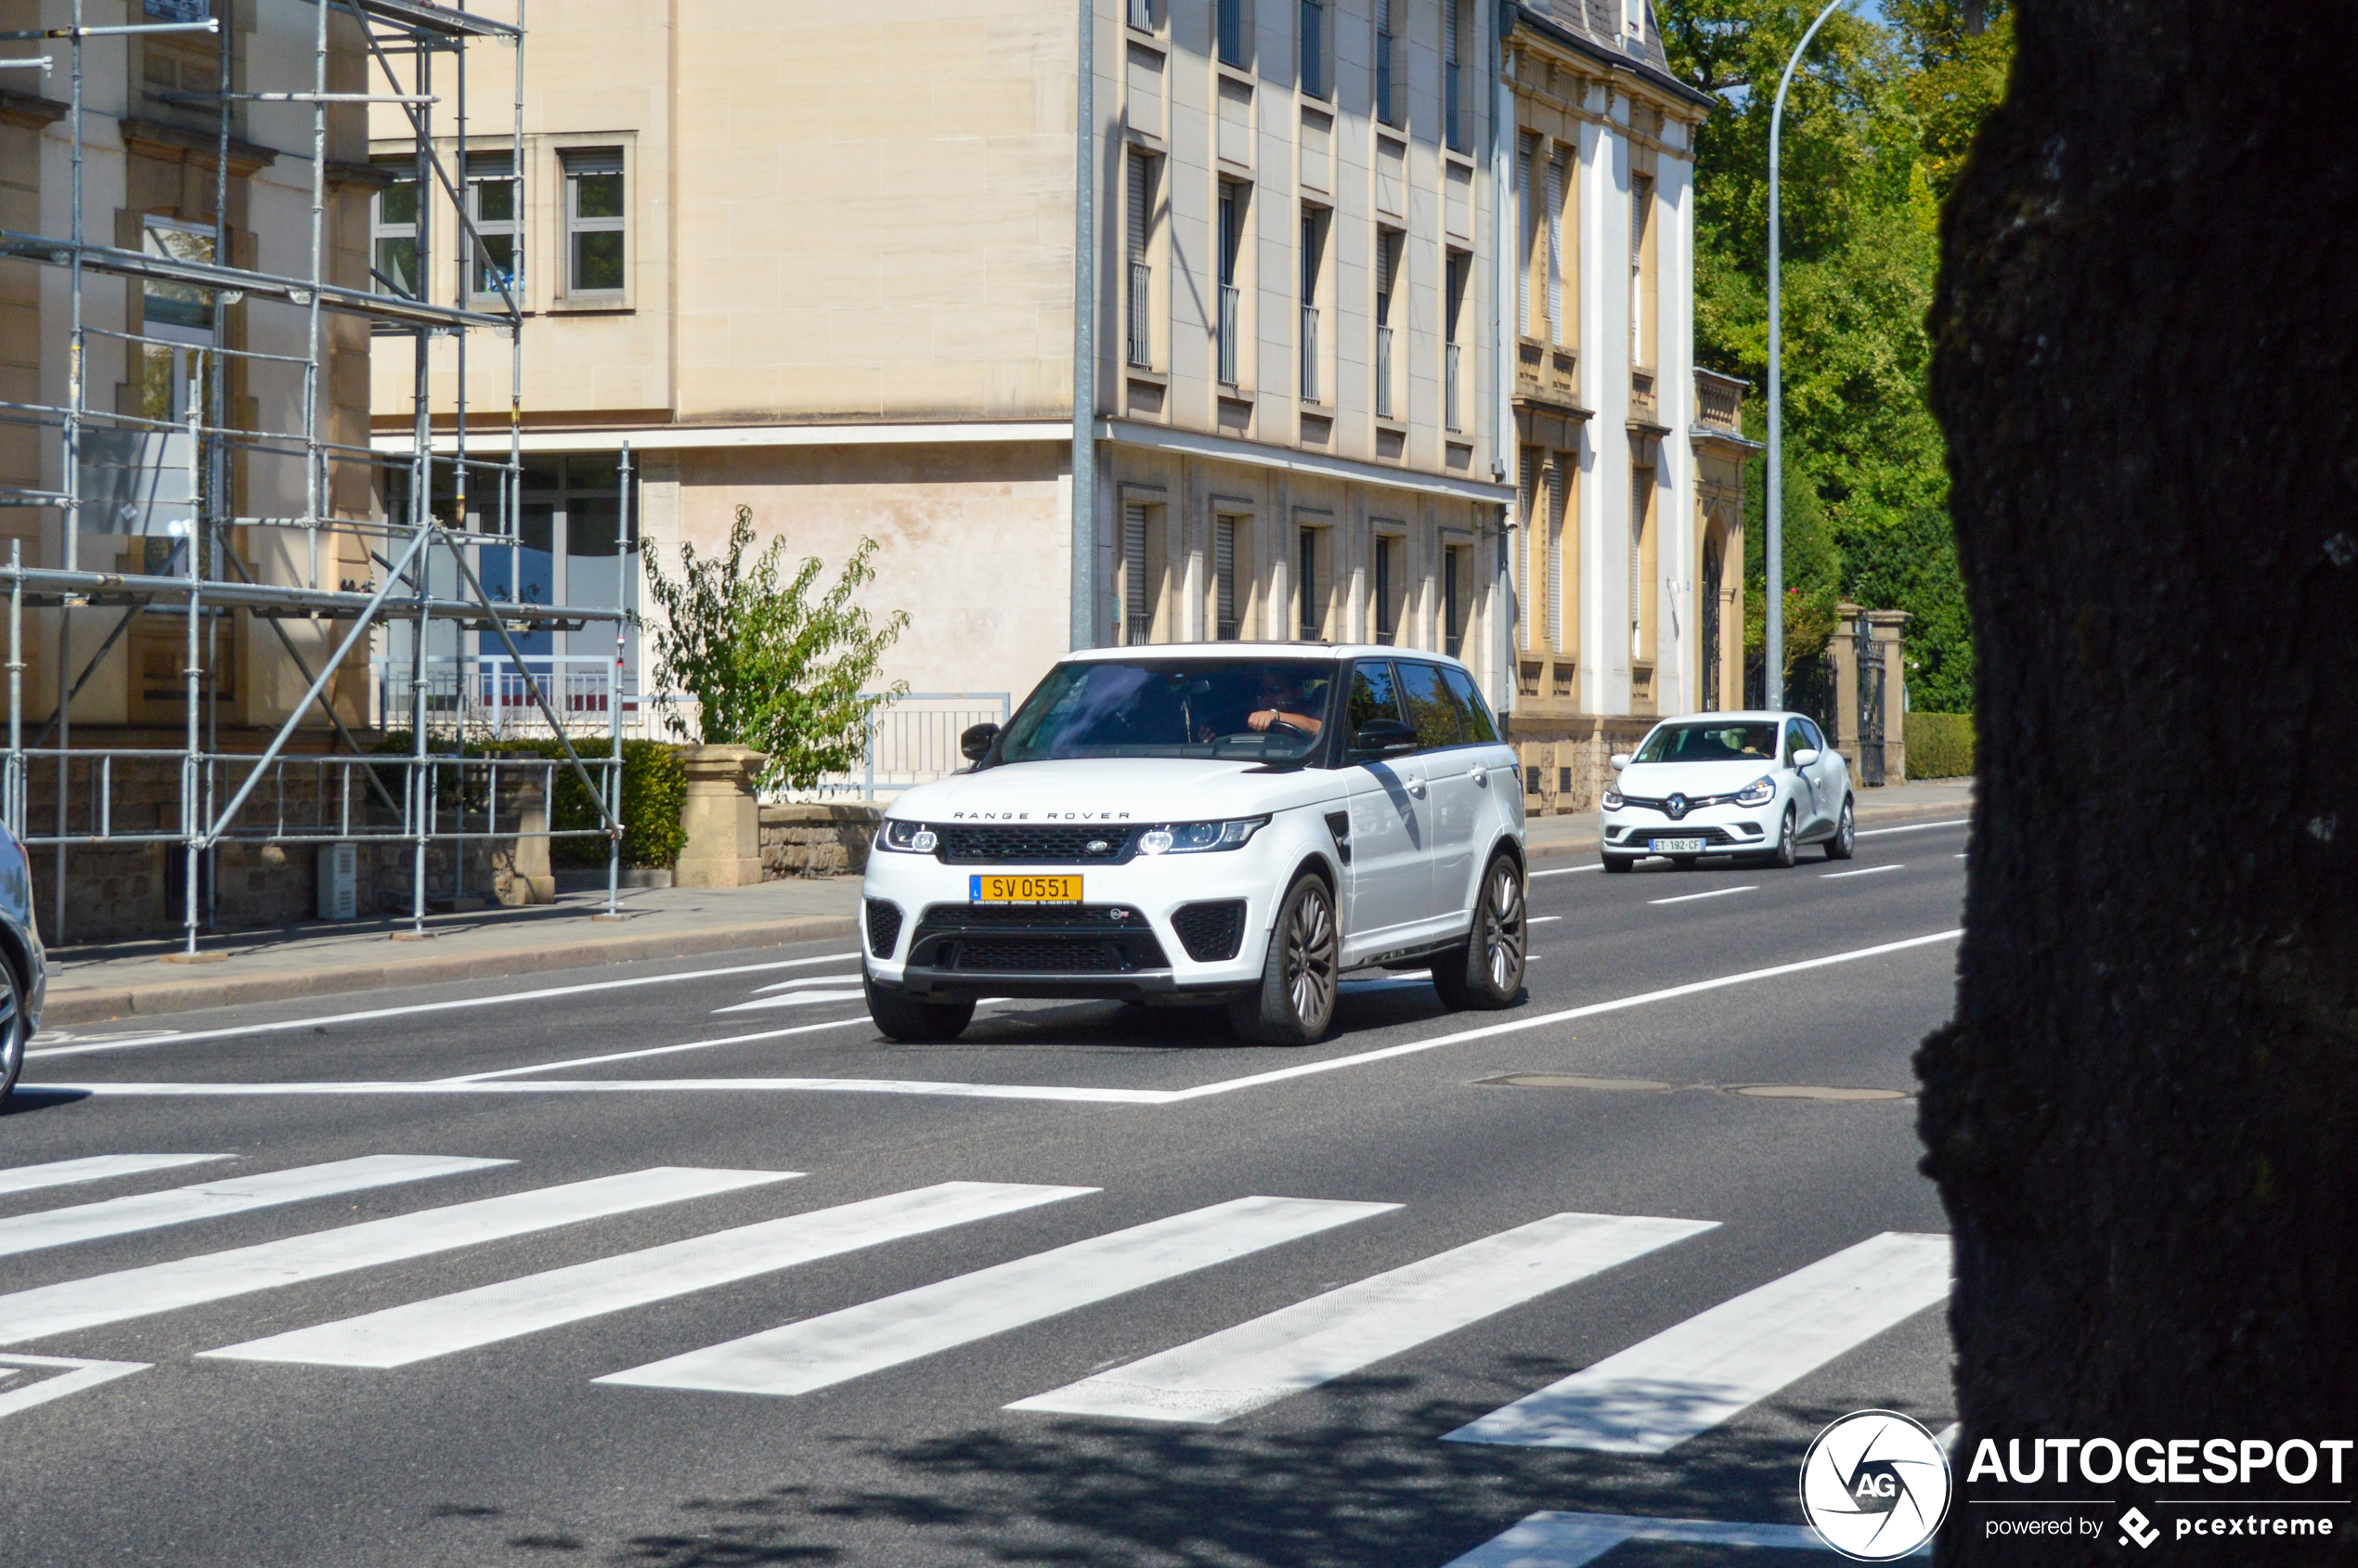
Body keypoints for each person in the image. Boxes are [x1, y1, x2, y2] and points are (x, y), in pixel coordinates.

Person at [1247, 669, 1324, 737]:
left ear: (1298, 693)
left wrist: (1275, 715)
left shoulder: (1316, 711)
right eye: (1263, 692)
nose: (1267, 698)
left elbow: (1316, 727)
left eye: (1275, 691)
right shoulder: (1254, 717)